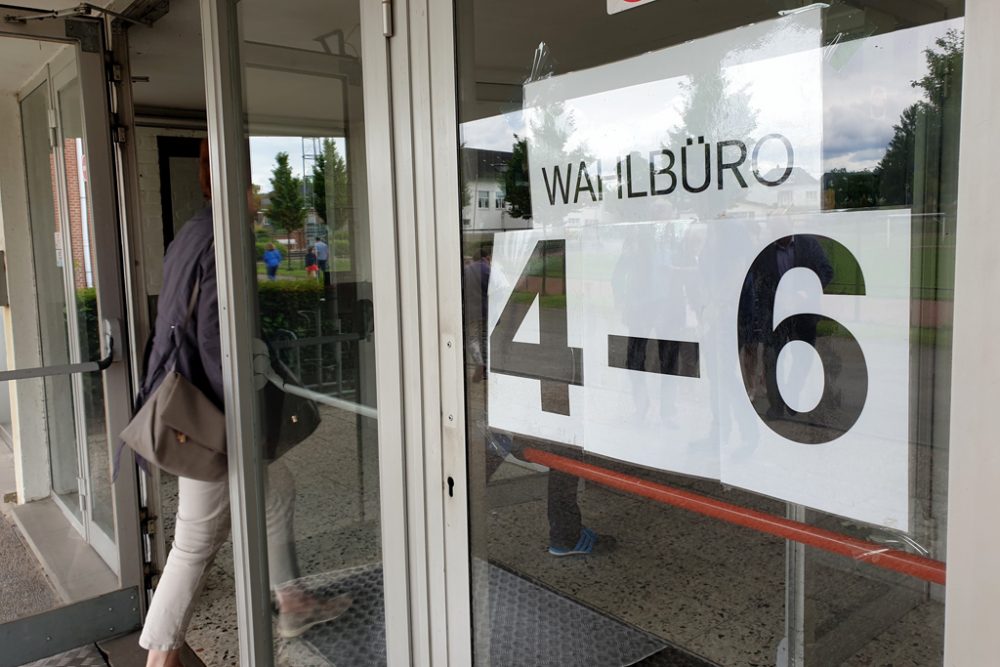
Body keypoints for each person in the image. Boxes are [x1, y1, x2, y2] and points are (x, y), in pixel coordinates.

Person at [139, 141, 349, 667]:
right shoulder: (222, 236)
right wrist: (241, 423)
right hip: (210, 411)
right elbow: (216, 339)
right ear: (239, 184)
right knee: (194, 542)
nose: (259, 194)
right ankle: (160, 658)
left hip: (190, 396)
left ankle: (294, 602)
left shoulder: (191, 231)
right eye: (255, 184)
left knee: (276, 492)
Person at [463, 242, 611, 556]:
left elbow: (507, 322)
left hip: (519, 367)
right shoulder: (577, 269)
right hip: (557, 377)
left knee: (502, 438)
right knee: (564, 453)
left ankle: (457, 512)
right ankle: (565, 535)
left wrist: (492, 364)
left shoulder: (529, 272)